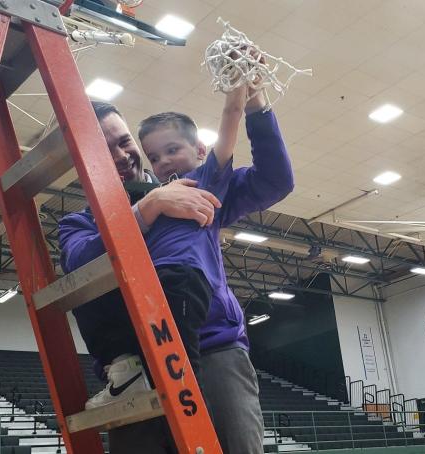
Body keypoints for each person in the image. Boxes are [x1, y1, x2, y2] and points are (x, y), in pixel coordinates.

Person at [59, 85, 293, 451]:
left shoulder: (193, 186)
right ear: (82, 160)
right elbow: (78, 265)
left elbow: (274, 181)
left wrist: (256, 102)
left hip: (214, 349)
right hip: (135, 367)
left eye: (123, 142)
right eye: (104, 149)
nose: (120, 155)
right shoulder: (80, 222)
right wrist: (147, 209)